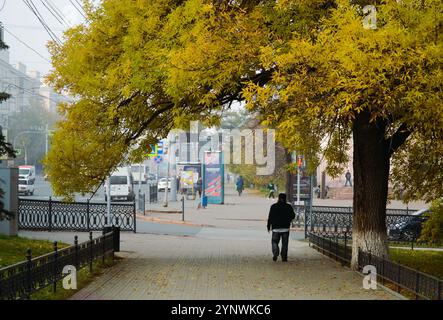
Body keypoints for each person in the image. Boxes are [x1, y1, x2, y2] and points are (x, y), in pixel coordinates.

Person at [267, 193, 296, 262]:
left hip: (276, 228)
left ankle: (275, 251)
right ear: (285, 198)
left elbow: (270, 217)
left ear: (278, 198)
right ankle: (284, 257)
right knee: (285, 244)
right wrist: (288, 219)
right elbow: (293, 216)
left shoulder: (273, 206)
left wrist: (268, 226)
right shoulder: (289, 206)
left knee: (274, 242)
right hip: (285, 228)